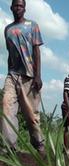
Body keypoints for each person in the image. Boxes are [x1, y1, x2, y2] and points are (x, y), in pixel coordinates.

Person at [1, 0, 44, 152]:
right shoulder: (7, 29)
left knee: (31, 115)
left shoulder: (32, 25)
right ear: (11, 7)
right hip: (12, 75)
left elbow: (36, 51)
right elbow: (9, 54)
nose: (18, 8)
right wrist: (8, 73)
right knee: (6, 108)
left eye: (21, 6)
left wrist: (38, 75)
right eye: (15, 6)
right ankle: (9, 147)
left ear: (24, 9)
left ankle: (39, 144)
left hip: (30, 76)